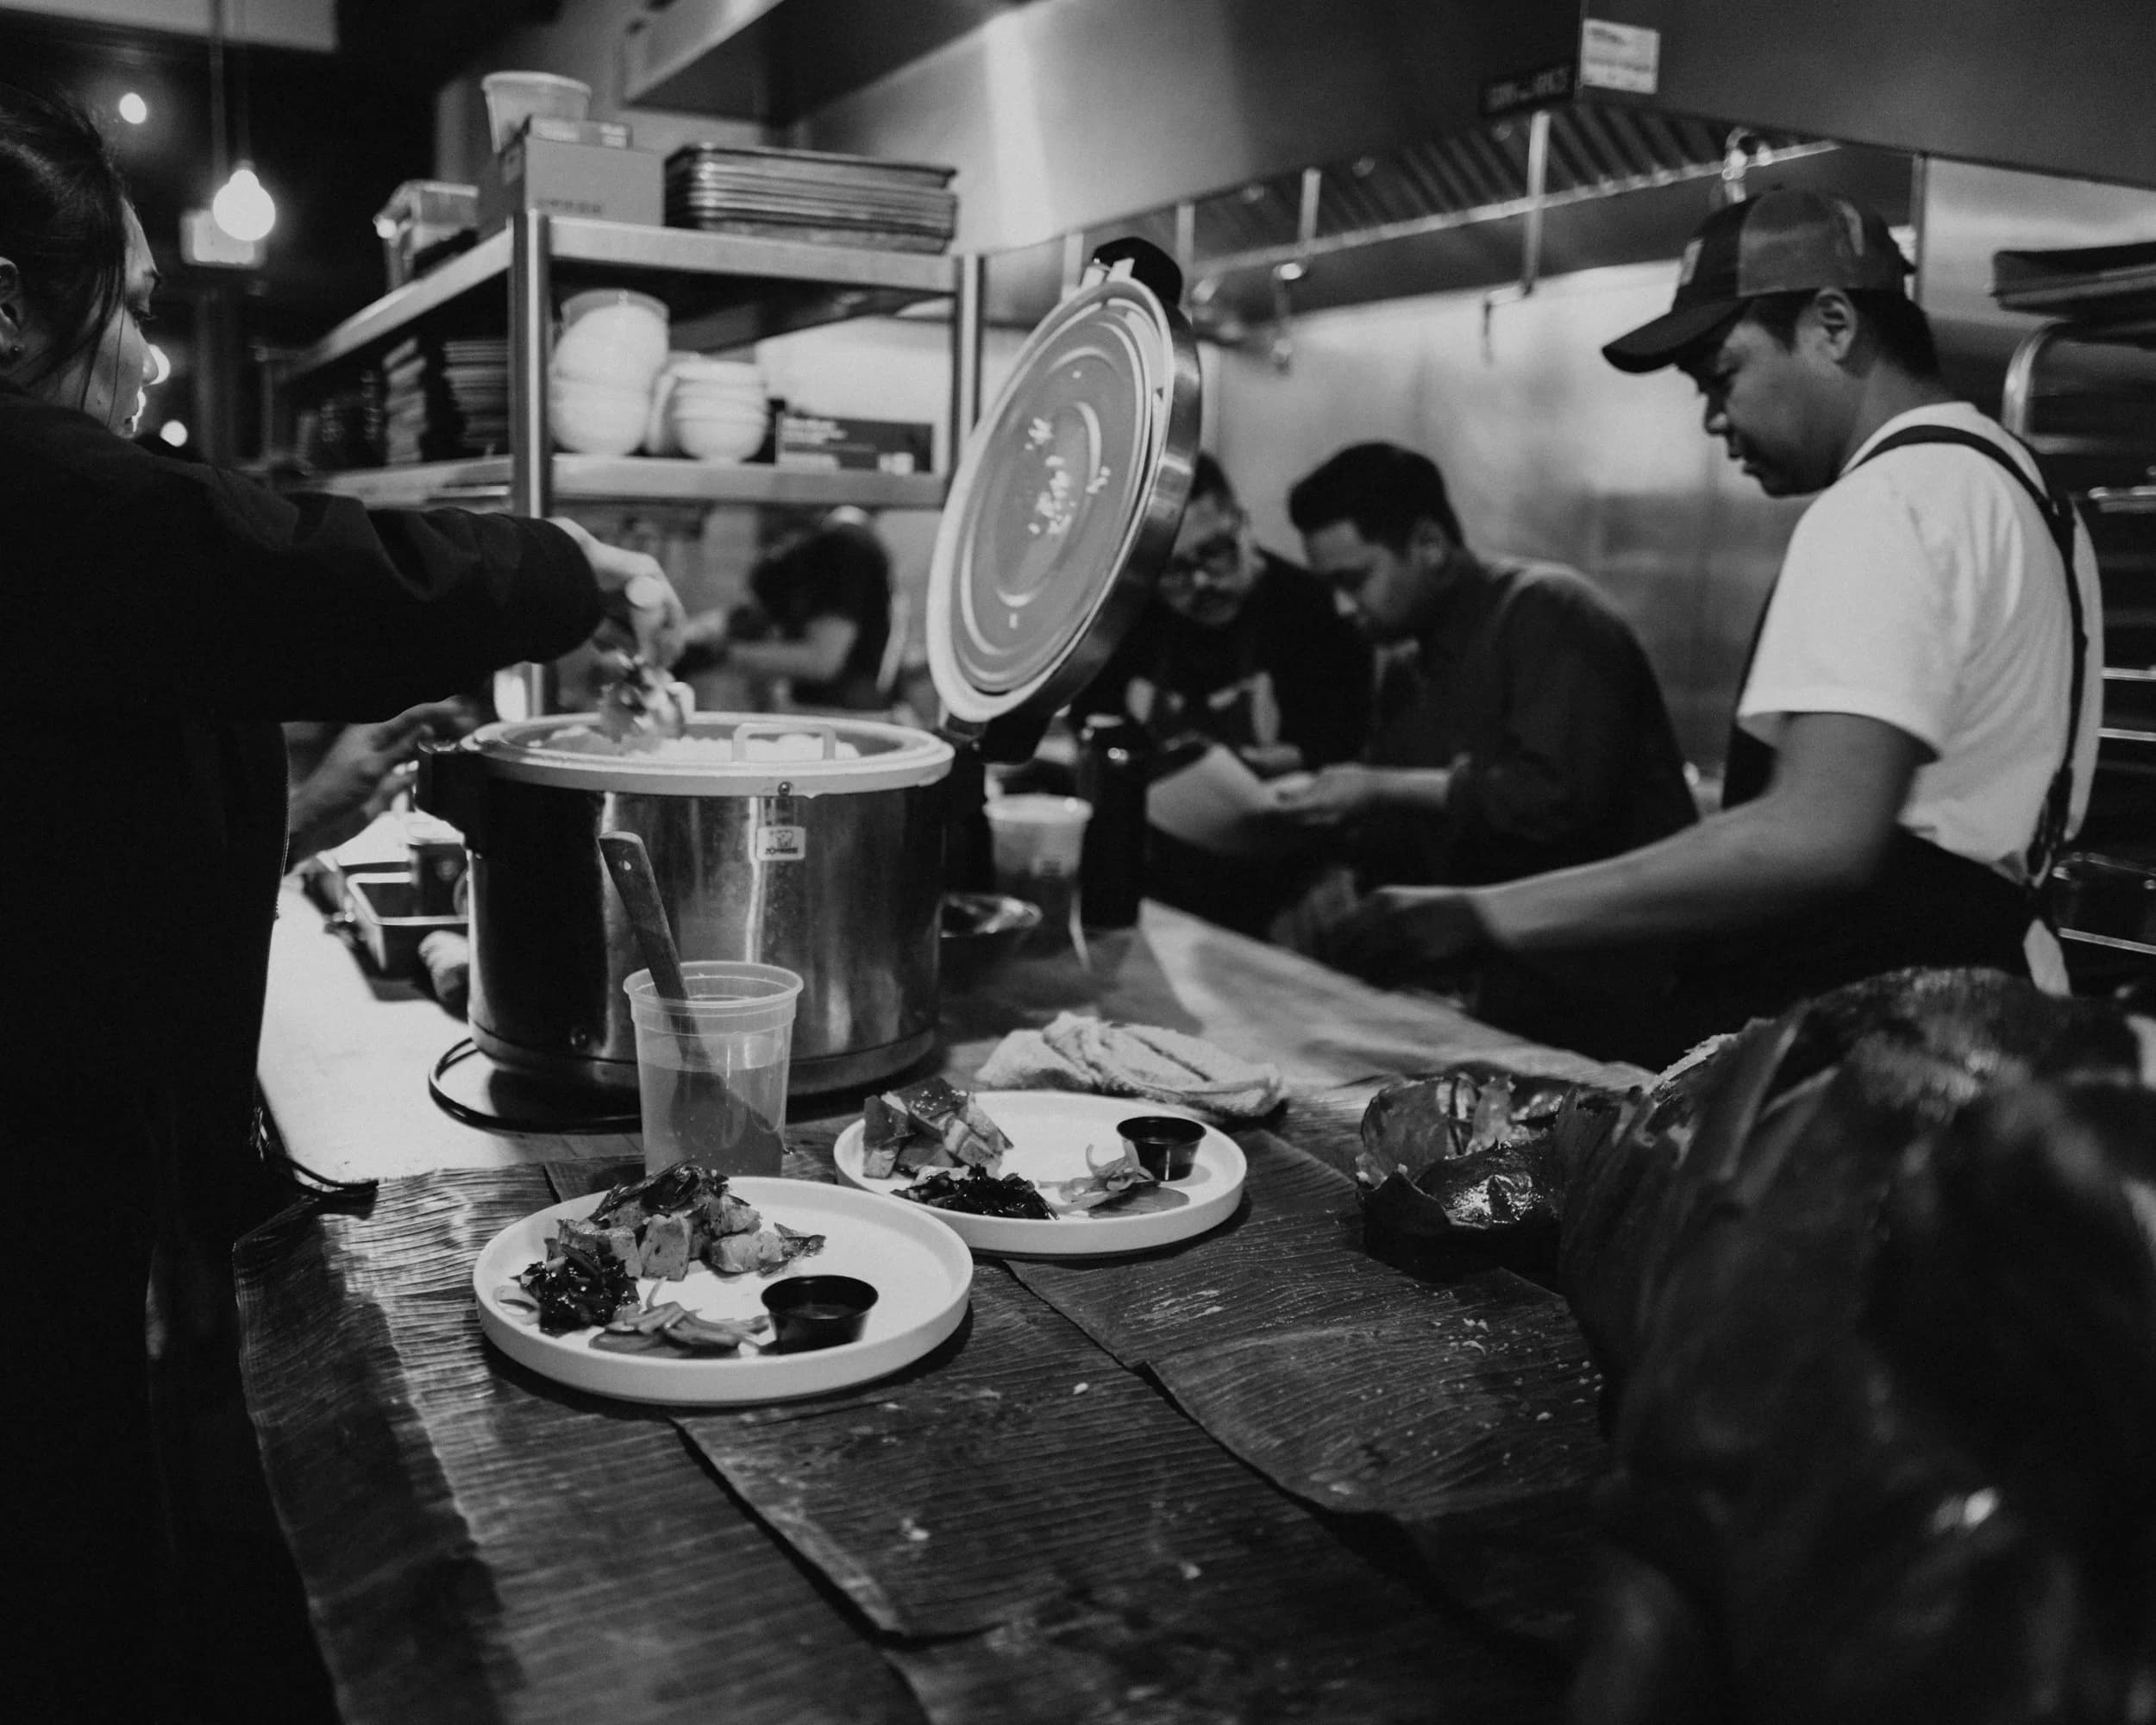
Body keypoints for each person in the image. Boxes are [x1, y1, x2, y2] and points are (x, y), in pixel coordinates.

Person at [0, 83, 686, 1719]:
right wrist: (570, 570)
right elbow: (259, 567)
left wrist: (292, 816)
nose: (152, 360)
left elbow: (71, 810)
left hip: (80, 1155)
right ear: (6, 303)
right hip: (30, 1189)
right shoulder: (29, 487)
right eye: (139, 312)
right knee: (61, 1586)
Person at [1322, 190, 2104, 1067]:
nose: (1711, 418)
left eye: (1720, 373)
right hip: (1995, 1014)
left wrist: (1484, 913)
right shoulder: (2023, 491)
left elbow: (1814, 837)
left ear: (1832, 323)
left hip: (1888, 1045)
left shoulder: (1887, 501)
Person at [1271, 441, 1696, 907]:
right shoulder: (1405, 669)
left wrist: (1379, 787)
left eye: (1352, 582)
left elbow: (1552, 802)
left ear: (1429, 545)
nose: (1341, 607)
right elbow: (1404, 834)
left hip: (1613, 947)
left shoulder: (1546, 611)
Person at [1073, 452, 1372, 932]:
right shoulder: (1126, 618)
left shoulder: (1314, 612)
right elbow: (1095, 725)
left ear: (1242, 523)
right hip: (1157, 881)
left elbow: (1340, 748)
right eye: (1171, 571)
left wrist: (1270, 768)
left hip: (1286, 887)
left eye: (1215, 553)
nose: (1201, 582)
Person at [679, 504, 893, 711]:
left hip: (845, 716)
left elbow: (823, 660)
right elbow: (752, 616)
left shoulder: (844, 544)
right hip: (817, 711)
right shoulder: (805, 549)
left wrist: (721, 654)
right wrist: (686, 637)